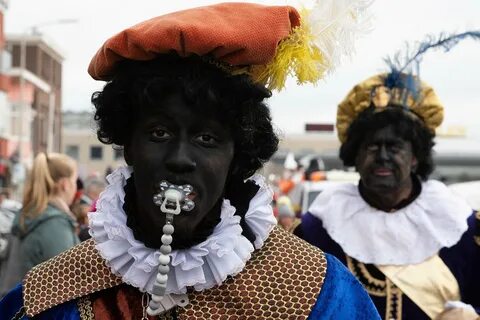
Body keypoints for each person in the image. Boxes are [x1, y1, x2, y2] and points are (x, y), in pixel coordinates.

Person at [0, 2, 379, 319]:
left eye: (207, 138)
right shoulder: (51, 295)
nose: (181, 158)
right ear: (128, 144)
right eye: (159, 133)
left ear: (237, 154)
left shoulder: (315, 293)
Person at [297, 32, 480, 320]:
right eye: (372, 146)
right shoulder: (316, 229)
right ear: (355, 156)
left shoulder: (463, 226)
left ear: (415, 156)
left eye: (394, 146)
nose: (382, 156)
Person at [11, 152, 79, 278]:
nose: (76, 188)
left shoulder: (31, 214)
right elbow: (66, 280)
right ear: (65, 184)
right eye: (75, 181)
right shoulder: (55, 225)